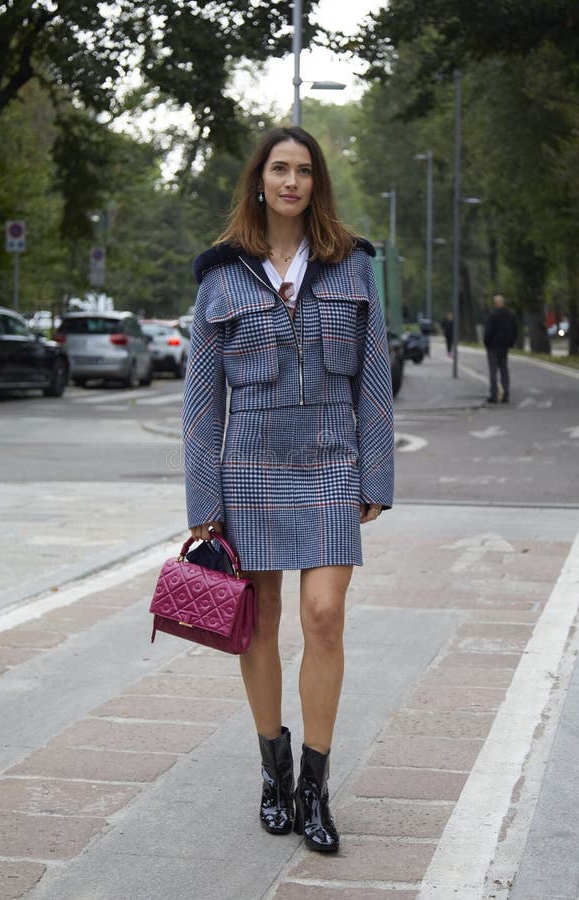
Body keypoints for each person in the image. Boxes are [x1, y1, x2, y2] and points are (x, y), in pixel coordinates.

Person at [183, 126, 394, 854]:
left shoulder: (353, 266)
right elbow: (201, 404)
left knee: (325, 614)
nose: (292, 181)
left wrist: (377, 474)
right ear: (260, 180)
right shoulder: (221, 275)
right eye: (280, 168)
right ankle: (273, 773)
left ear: (317, 183)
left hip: (333, 457)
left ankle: (315, 787)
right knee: (262, 619)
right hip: (248, 464)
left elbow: (375, 379)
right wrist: (203, 503)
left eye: (304, 170)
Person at [484, 293, 517, 403]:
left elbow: (488, 332)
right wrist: (510, 343)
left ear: (496, 303)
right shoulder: (510, 315)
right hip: (504, 347)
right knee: (504, 370)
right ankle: (506, 394)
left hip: (493, 347)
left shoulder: (492, 315)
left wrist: (487, 343)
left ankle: (494, 395)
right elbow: (514, 330)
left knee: (493, 371)